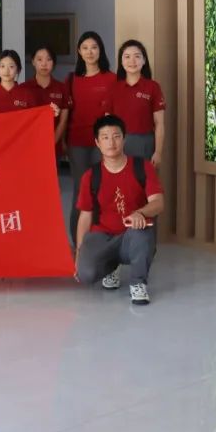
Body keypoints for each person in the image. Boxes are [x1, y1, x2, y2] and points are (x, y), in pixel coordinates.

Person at [75, 115, 163, 305]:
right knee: (85, 274)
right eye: (105, 137)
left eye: (116, 136)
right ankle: (111, 267)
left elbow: (158, 202)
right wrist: (79, 253)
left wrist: (141, 213)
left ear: (124, 138)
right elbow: (85, 216)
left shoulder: (142, 167)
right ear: (97, 143)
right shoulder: (91, 176)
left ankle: (138, 283)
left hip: (131, 234)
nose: (111, 142)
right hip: (102, 235)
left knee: (142, 234)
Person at [66, 31, 119, 247]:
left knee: (102, 189)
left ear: (101, 50)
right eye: (85, 48)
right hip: (77, 142)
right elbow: (65, 112)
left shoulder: (112, 79)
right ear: (79, 51)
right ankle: (77, 243)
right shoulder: (72, 79)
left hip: (103, 145)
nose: (90, 52)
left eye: (94, 47)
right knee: (81, 190)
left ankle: (100, 241)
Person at [111, 40, 165, 167]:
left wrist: (158, 152)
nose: (132, 61)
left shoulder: (153, 87)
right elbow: (108, 122)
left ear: (144, 60)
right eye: (127, 57)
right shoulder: (113, 88)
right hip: (118, 143)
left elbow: (159, 123)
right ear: (121, 61)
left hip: (145, 143)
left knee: (143, 178)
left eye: (137, 56)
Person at [0, 49, 60, 118]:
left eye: (11, 66)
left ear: (18, 70)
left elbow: (37, 119)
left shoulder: (27, 95)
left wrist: (50, 113)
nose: (6, 71)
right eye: (2, 66)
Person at [21, 45, 71, 157]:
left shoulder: (62, 88)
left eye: (48, 59)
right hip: (28, 146)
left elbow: (63, 121)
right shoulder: (23, 88)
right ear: (33, 62)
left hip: (54, 148)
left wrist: (51, 142)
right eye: (39, 59)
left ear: (54, 62)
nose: (44, 64)